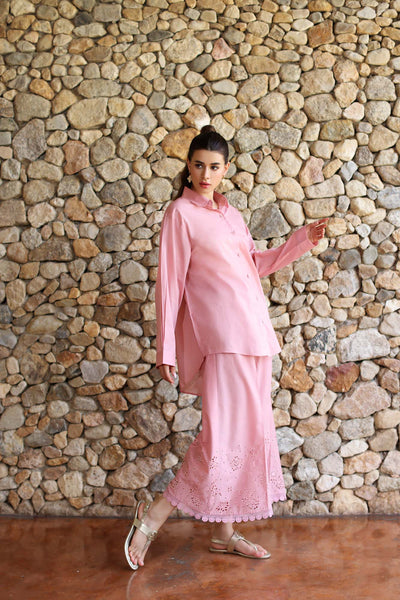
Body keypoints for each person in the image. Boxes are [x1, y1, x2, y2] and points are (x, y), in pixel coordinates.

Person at [125, 125, 327, 570]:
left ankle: (223, 533)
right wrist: (166, 349)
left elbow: (255, 265)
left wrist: (302, 241)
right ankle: (153, 516)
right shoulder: (180, 213)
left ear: (225, 169)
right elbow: (170, 284)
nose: (205, 174)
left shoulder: (231, 214)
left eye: (214, 167)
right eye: (198, 165)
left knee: (248, 433)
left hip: (255, 334)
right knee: (221, 435)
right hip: (221, 336)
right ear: (188, 166)